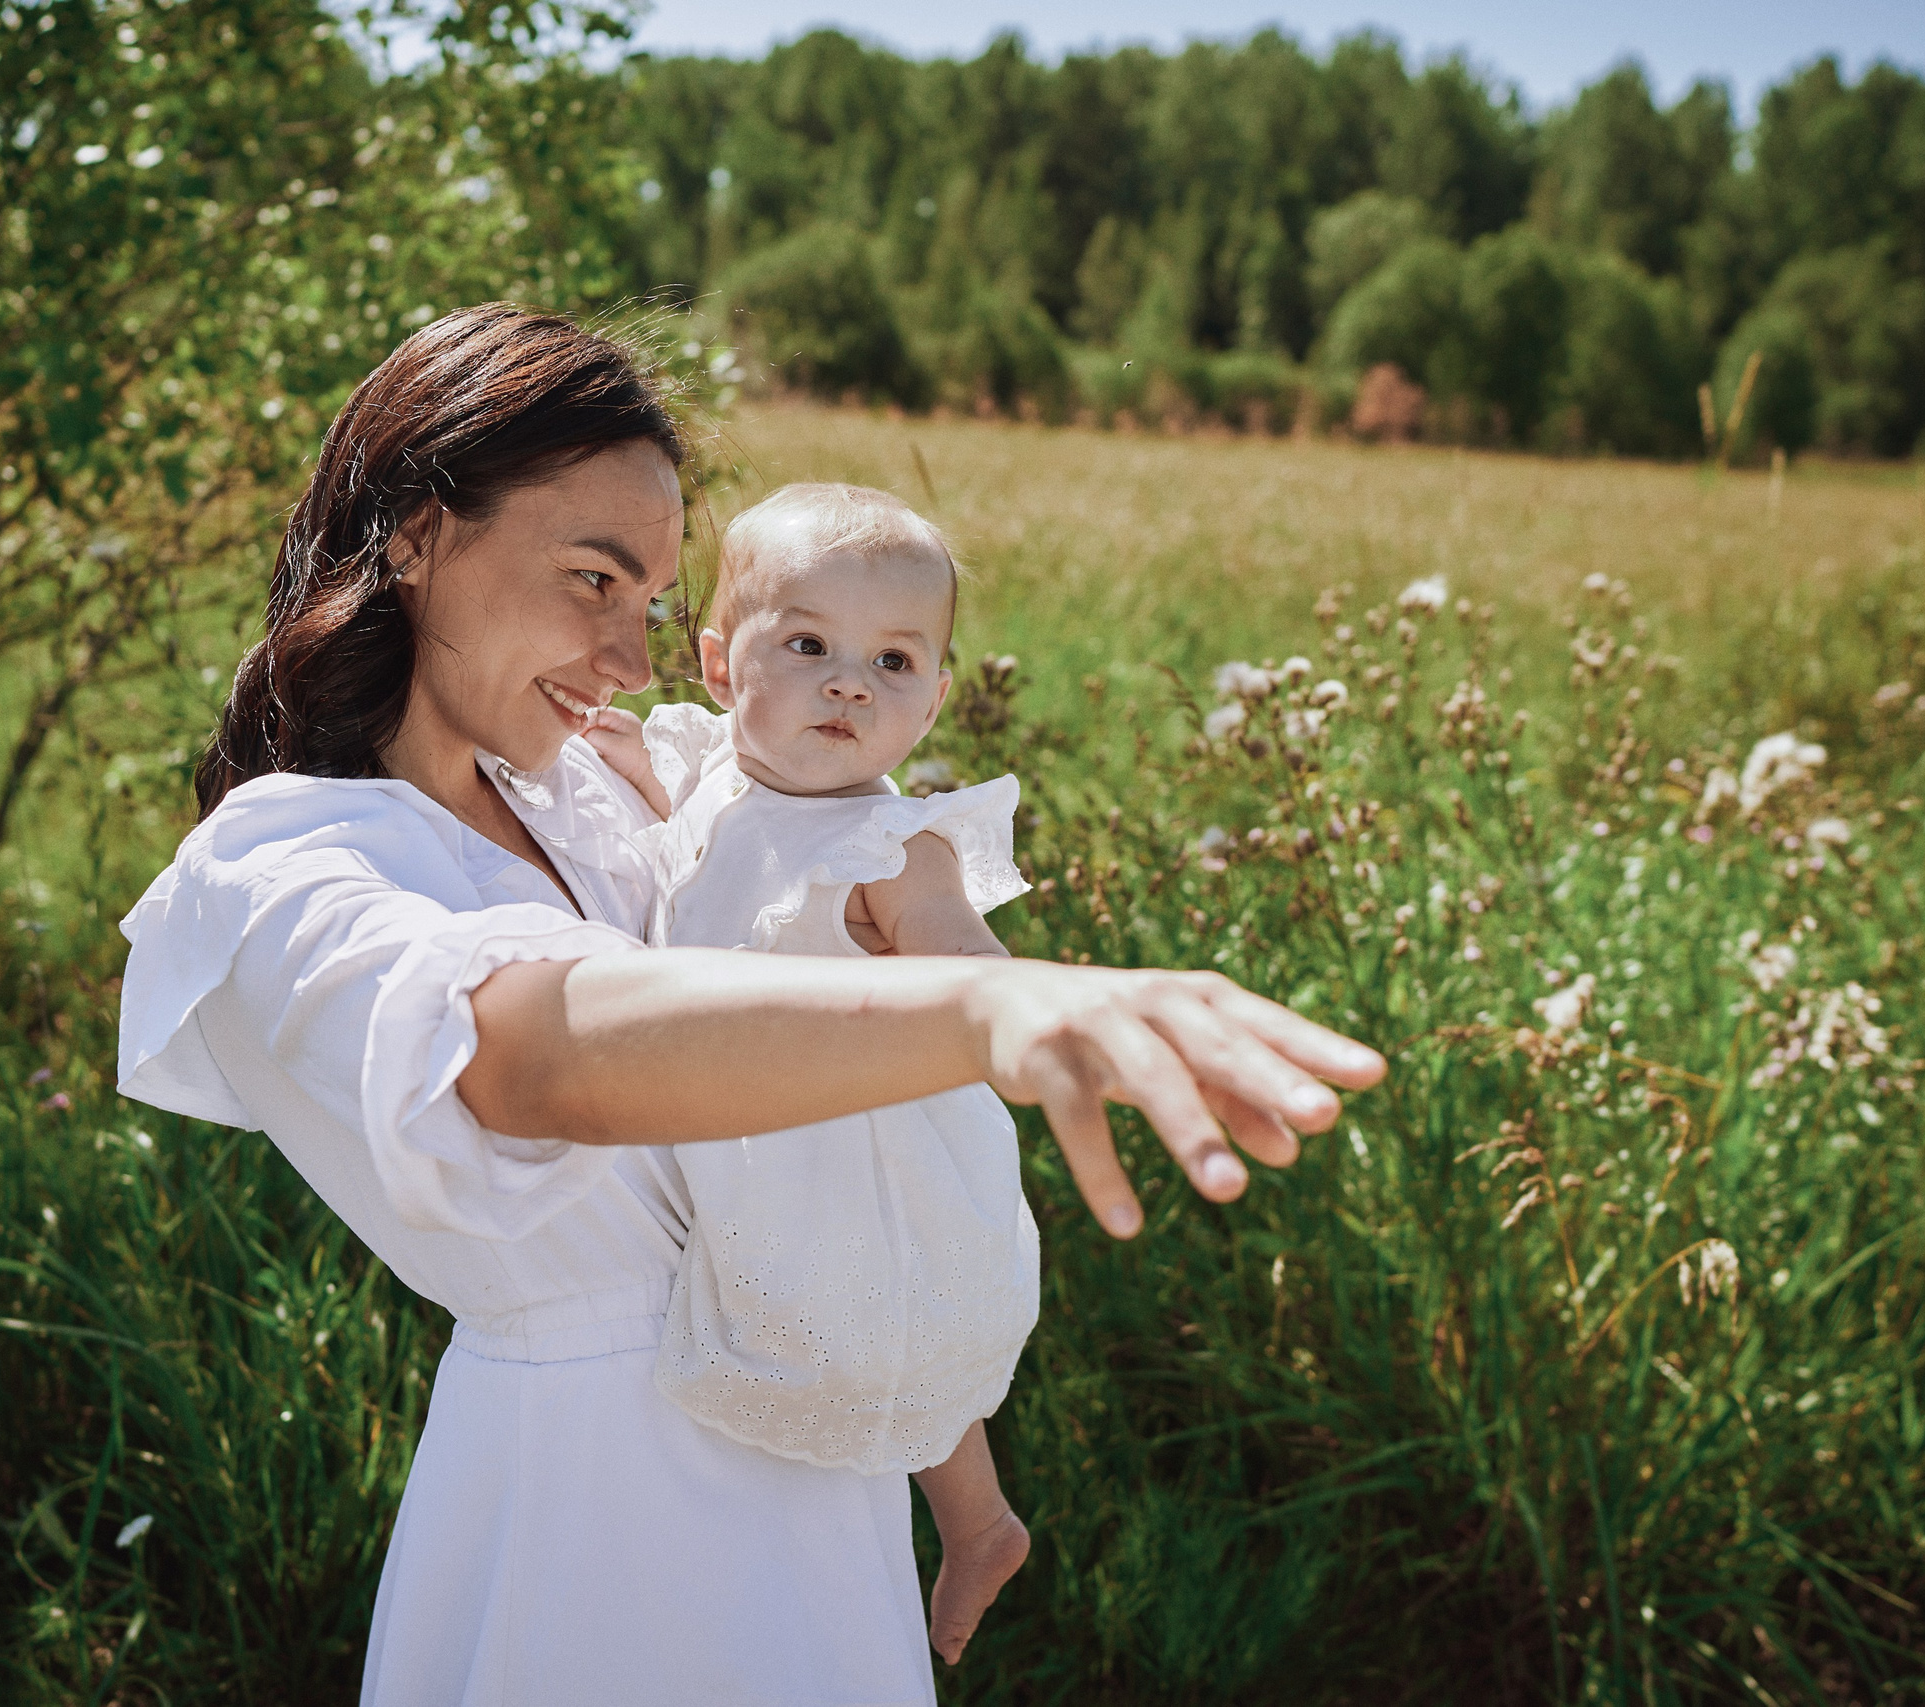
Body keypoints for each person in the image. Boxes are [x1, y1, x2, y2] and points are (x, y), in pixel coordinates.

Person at [116, 303, 1385, 1707]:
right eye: (593, 578)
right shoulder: (286, 862)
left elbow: (801, 810)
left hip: (809, 1437)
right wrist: (972, 1012)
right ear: (415, 534)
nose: (632, 653)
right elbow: (531, 1051)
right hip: (593, 1501)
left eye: (652, 602)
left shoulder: (599, 787)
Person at [582, 482, 1040, 1666]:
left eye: (893, 661)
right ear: (722, 668)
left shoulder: (892, 849)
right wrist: (636, 772)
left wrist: (1034, 1015)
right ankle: (927, 1538)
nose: (850, 683)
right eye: (808, 646)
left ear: (936, 698)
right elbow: (693, 848)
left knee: (888, 1336)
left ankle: (969, 1529)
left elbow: (968, 962)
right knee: (830, 1343)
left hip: (869, 1167)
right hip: (760, 1155)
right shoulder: (718, 779)